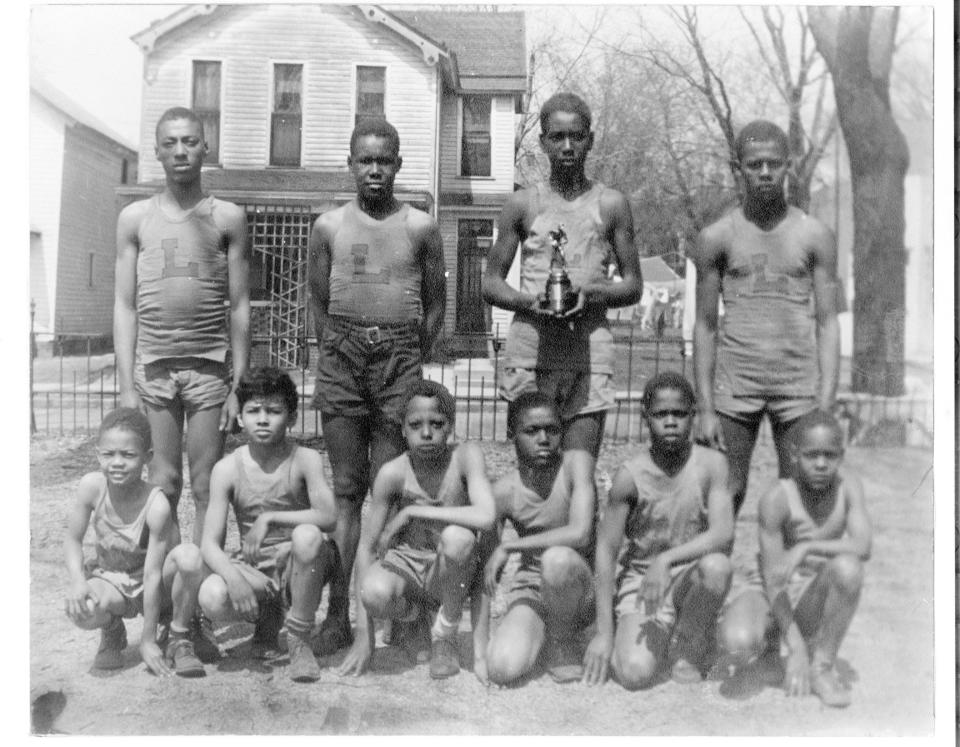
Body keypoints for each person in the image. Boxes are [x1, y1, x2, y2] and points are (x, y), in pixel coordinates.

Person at [306, 118, 446, 656]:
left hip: (398, 357)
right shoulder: (328, 226)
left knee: (390, 486)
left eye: (383, 160)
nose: (373, 170)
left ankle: (400, 612)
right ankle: (337, 615)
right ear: (350, 163)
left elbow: (435, 302)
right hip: (342, 354)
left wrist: (413, 356)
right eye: (364, 160)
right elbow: (319, 299)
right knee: (346, 490)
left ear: (398, 164)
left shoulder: (420, 226)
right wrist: (337, 347)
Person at [114, 106, 251, 544]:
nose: (180, 152)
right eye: (170, 143)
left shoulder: (226, 217)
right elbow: (124, 305)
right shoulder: (135, 218)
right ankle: (170, 587)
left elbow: (240, 305)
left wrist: (239, 385)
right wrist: (126, 385)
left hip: (209, 367)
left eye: (190, 141)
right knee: (164, 482)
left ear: (205, 148)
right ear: (155, 150)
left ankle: (202, 584)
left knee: (206, 483)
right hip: (155, 365)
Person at [482, 91, 642, 459]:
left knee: (579, 475)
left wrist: (592, 294)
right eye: (557, 137)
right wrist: (530, 302)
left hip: (588, 355)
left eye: (577, 137)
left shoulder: (611, 204)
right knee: (535, 474)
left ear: (590, 139)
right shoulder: (523, 203)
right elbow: (490, 282)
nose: (567, 146)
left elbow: (633, 285)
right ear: (543, 142)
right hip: (531, 355)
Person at [692, 119, 840, 517]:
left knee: (802, 497)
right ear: (738, 167)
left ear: (788, 165)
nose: (764, 173)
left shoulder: (815, 235)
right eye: (754, 164)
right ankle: (711, 576)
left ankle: (792, 578)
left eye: (774, 163)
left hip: (797, 387)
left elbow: (828, 322)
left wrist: (826, 399)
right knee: (725, 492)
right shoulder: (716, 237)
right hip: (736, 386)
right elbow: (705, 326)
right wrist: (705, 408)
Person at [582, 372, 734, 689]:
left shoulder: (712, 464)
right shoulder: (630, 476)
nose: (670, 422)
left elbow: (723, 534)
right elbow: (606, 552)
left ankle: (687, 642)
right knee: (632, 673)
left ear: (693, 416)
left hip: (691, 576)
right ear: (645, 418)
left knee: (717, 566)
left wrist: (665, 561)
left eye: (679, 414)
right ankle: (656, 629)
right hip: (643, 584)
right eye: (660, 414)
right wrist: (604, 633)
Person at [338, 380, 496, 680]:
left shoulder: (465, 457)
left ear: (449, 426)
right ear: (402, 430)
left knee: (458, 538)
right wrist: (363, 635)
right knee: (374, 592)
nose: (426, 433)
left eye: (436, 423)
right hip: (407, 566)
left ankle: (444, 635)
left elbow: (487, 515)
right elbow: (366, 547)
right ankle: (411, 618)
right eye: (415, 425)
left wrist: (412, 510)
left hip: (447, 570)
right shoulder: (393, 472)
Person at [717, 410, 871, 708]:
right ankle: (772, 650)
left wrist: (805, 548)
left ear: (842, 454)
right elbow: (774, 580)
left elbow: (863, 546)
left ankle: (821, 667)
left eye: (830, 455)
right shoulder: (777, 497)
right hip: (772, 592)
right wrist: (796, 648)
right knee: (737, 641)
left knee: (849, 569)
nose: (821, 464)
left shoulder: (848, 486)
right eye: (812, 455)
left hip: (811, 591)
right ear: (793, 454)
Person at [198, 368, 339, 683]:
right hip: (257, 567)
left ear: (291, 418)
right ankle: (267, 619)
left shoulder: (305, 459)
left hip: (300, 564)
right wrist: (233, 579)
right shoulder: (226, 469)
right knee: (212, 595)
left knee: (308, 535)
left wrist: (270, 517)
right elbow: (209, 543)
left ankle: (299, 637)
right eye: (253, 411)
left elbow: (329, 517)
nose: (263, 419)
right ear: (241, 417)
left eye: (273, 411)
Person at [64, 408, 207, 677]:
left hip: (152, 585)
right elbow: (72, 540)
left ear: (147, 458)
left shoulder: (156, 504)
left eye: (128, 455)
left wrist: (147, 639)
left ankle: (177, 633)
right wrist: (77, 581)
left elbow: (153, 575)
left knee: (189, 556)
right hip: (112, 581)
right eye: (109, 454)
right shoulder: (91, 487)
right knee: (82, 610)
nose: (117, 462)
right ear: (98, 454)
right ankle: (112, 630)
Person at [472, 391, 597, 687]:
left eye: (552, 430)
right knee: (501, 667)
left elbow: (579, 534)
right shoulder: (503, 491)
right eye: (531, 431)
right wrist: (480, 651)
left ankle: (564, 641)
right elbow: (485, 573)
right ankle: (544, 633)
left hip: (580, 585)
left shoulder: (576, 465)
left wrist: (512, 545)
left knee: (557, 559)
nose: (543, 439)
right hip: (533, 586)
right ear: (511, 434)